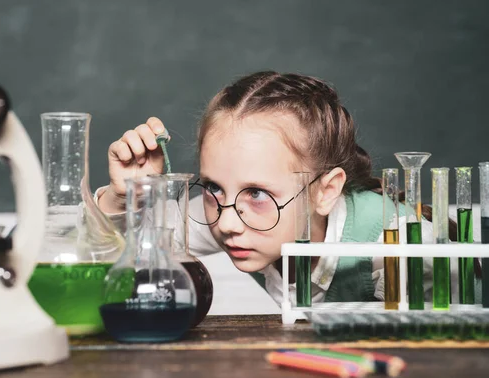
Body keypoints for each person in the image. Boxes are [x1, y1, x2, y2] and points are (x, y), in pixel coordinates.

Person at [95, 71, 461, 306]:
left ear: (326, 190)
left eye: (257, 193)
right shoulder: (222, 214)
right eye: (213, 187)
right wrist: (124, 198)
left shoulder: (398, 247)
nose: (227, 224)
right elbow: (116, 258)